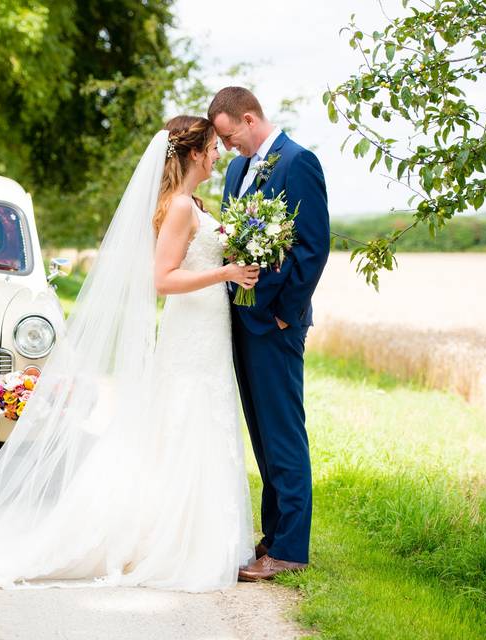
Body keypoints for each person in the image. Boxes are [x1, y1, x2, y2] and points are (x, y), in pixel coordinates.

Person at [0, 116, 259, 593]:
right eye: (214, 147)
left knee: (202, 422)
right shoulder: (178, 207)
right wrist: (226, 274)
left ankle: (201, 535)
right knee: (186, 421)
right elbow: (161, 280)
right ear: (195, 153)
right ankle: (174, 542)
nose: (219, 154)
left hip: (207, 329)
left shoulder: (196, 204)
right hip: (190, 330)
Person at [208, 87, 330, 581]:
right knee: (262, 434)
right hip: (240, 318)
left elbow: (312, 247)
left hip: (275, 322)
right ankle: (273, 537)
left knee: (283, 434)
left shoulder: (299, 162)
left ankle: (291, 550)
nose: (227, 147)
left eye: (228, 135)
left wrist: (284, 312)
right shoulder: (238, 171)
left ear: (250, 118)